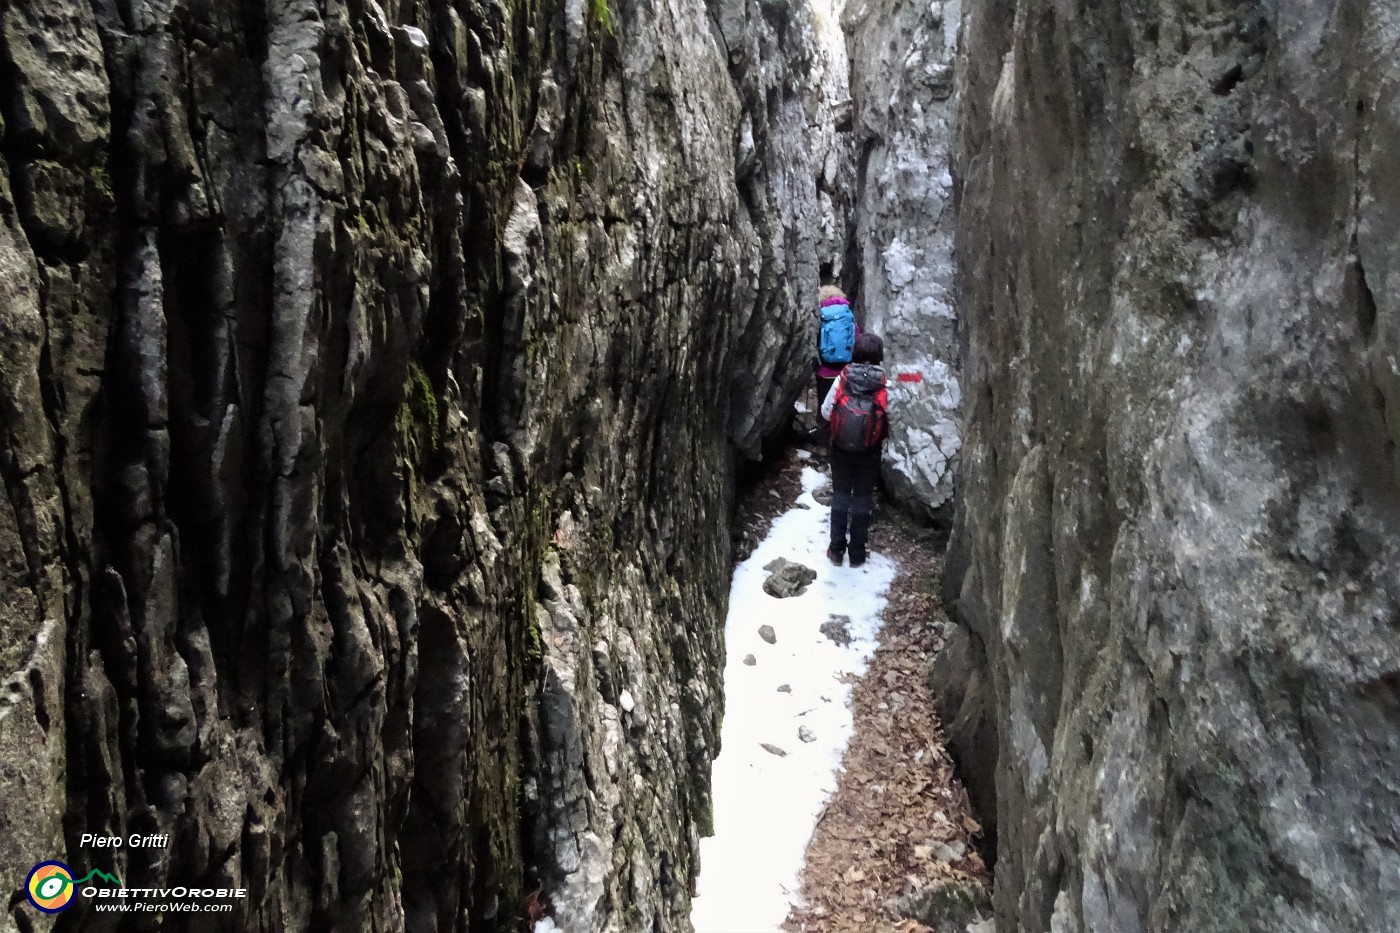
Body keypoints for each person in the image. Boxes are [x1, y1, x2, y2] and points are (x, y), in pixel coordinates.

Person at [821, 333, 889, 568]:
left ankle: (837, 549)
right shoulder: (884, 382)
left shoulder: (843, 378)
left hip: (840, 448)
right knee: (862, 499)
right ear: (879, 355)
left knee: (840, 495)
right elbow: (892, 414)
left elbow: (826, 409)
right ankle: (857, 553)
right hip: (869, 451)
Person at [815, 286, 858, 419]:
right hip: (845, 372)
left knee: (824, 406)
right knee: (843, 406)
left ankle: (823, 433)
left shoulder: (821, 315)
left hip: (825, 371)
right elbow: (857, 339)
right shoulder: (848, 316)